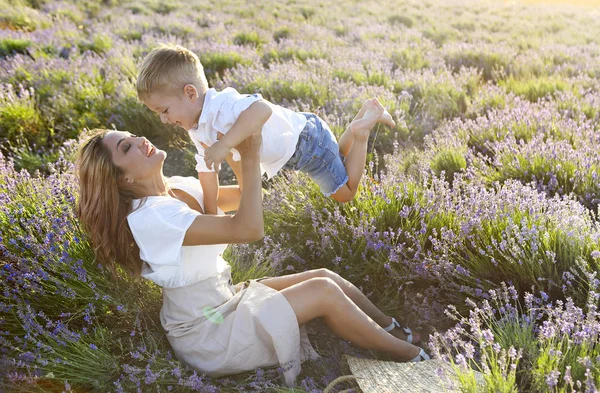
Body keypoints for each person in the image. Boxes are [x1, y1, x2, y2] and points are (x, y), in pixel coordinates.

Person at [76, 128, 429, 388]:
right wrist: (252, 148)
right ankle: (415, 360)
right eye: (126, 147)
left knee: (325, 275)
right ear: (122, 178)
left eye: (132, 135)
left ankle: (397, 333)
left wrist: (233, 148)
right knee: (321, 290)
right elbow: (248, 227)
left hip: (224, 301)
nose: (140, 140)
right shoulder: (152, 218)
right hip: (207, 333)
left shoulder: (177, 187)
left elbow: (245, 195)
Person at [136, 43, 396, 215]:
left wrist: (224, 146)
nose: (164, 120)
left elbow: (262, 109)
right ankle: (362, 116)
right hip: (305, 139)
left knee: (345, 193)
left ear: (190, 93)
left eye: (164, 111)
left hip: (305, 145)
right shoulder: (197, 127)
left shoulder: (223, 105)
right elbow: (207, 168)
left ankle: (361, 132)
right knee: (336, 158)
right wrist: (211, 213)